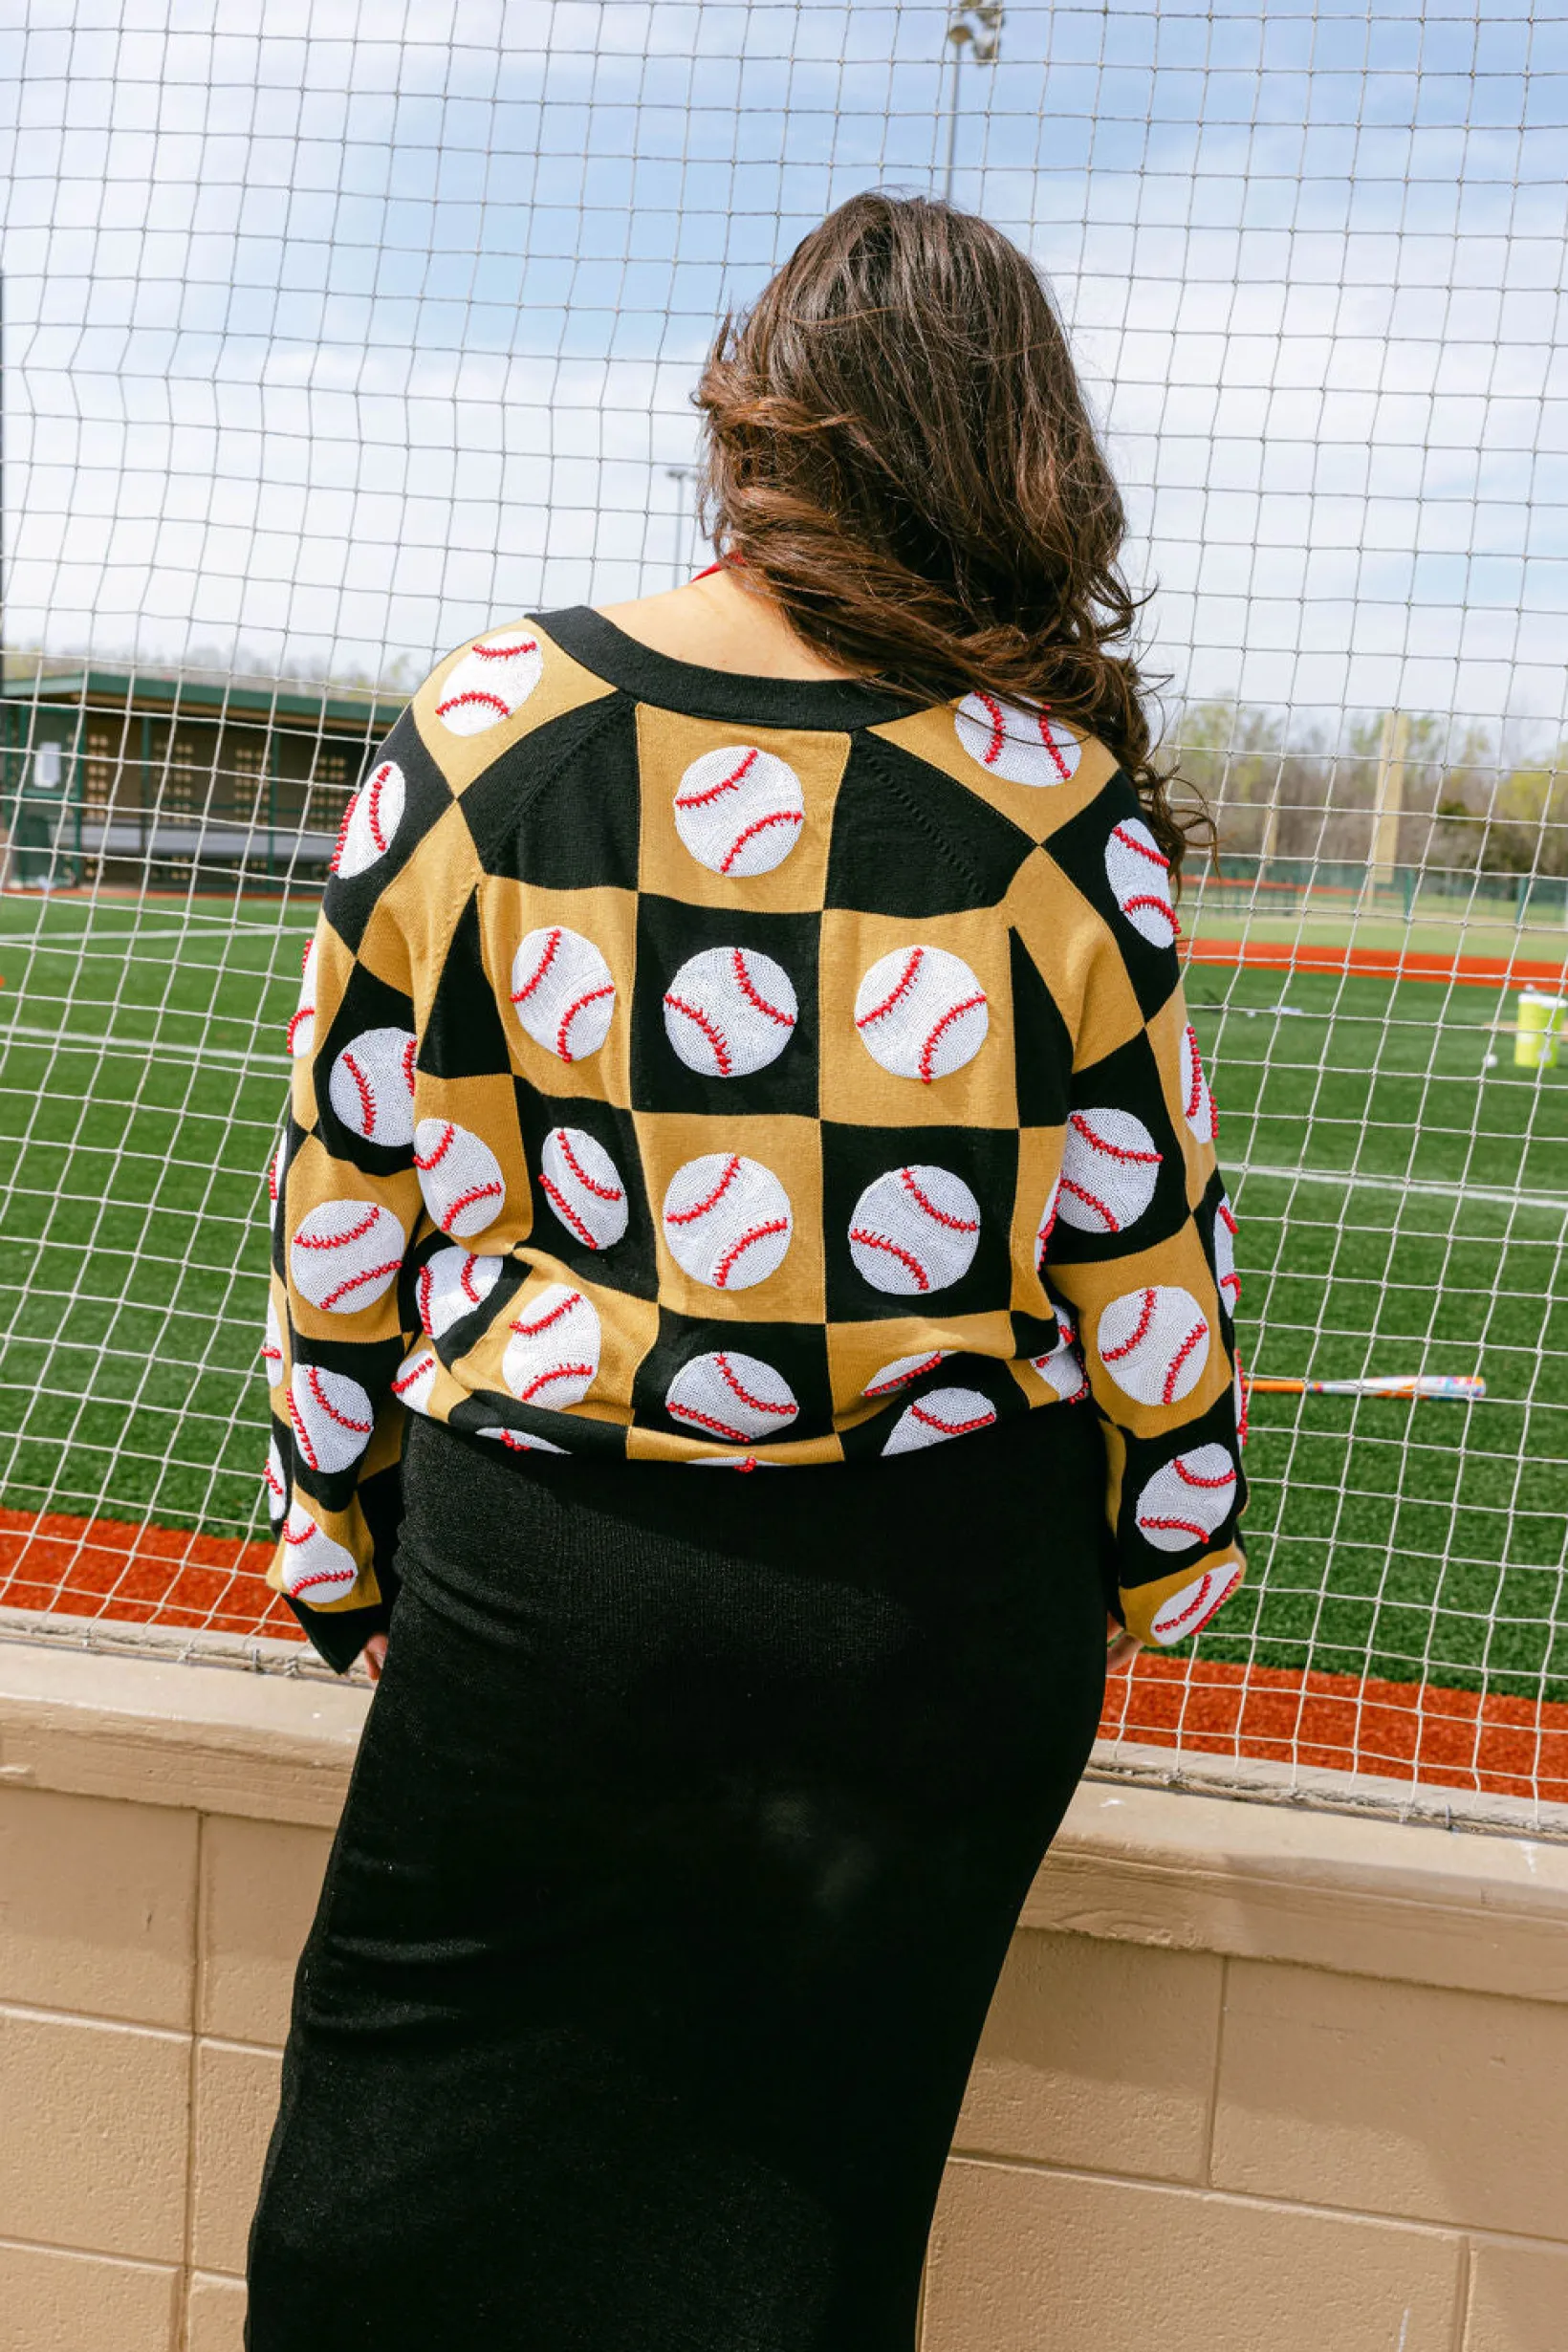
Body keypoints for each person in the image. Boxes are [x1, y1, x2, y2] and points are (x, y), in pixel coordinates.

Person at [246, 190, 1246, 2351]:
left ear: (754, 420)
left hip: (542, 1582)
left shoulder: (486, 720)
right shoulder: (1057, 804)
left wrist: (339, 1540)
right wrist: (1168, 1553)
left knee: (385, 2207)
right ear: (1018, 450)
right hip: (929, 1617)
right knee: (802, 2242)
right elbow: (1146, 1253)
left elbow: (347, 1180)